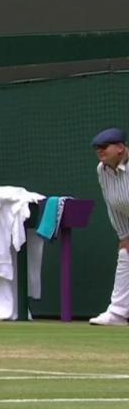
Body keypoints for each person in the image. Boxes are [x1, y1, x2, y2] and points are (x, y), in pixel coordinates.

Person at [89, 128, 129, 326]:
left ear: (120, 148)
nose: (100, 150)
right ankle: (118, 313)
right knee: (125, 254)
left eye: (105, 147)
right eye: (97, 147)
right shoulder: (101, 170)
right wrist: (124, 235)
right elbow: (112, 203)